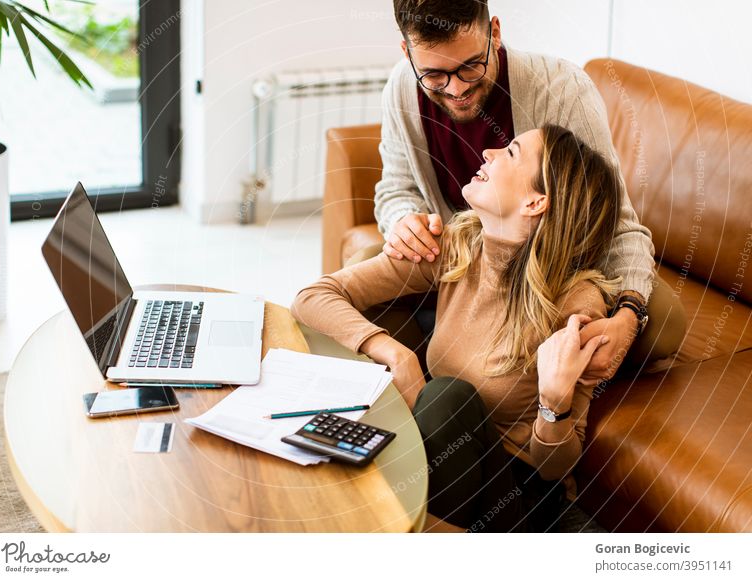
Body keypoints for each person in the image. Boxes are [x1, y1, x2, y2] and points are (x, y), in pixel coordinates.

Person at [293, 125, 621, 532]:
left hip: (515, 495)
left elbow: (555, 468)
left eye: (511, 152)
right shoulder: (456, 248)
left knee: (448, 396)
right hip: (437, 456)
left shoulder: (576, 304)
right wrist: (394, 352)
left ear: (537, 202)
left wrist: (554, 403)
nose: (488, 152)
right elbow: (313, 296)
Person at [365, 0, 685, 384]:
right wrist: (405, 221)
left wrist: (630, 313)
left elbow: (616, 223)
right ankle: (440, 387)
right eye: (434, 75)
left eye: (471, 66)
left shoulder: (562, 89)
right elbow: (395, 189)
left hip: (550, 275)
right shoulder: (401, 91)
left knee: (662, 321)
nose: (457, 89)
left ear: (495, 33)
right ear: (407, 53)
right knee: (367, 265)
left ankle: (500, 367)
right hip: (461, 264)